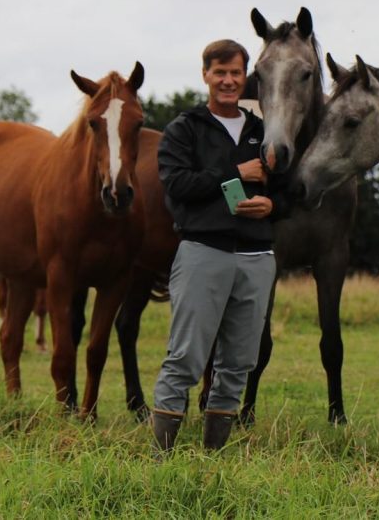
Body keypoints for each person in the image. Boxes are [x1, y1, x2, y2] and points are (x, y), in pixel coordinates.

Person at [151, 38, 288, 452]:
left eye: (235, 73)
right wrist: (236, 170)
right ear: (205, 75)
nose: (228, 81)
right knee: (186, 357)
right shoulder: (184, 129)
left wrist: (272, 204)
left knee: (239, 363)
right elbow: (176, 186)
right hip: (202, 253)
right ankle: (163, 459)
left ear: (245, 78)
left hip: (257, 258)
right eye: (220, 72)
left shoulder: (265, 133)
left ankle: (213, 456)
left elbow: (291, 191)